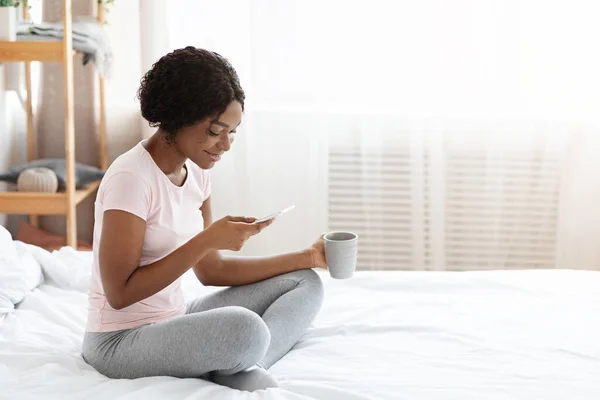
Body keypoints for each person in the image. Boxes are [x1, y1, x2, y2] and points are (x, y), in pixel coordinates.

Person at [81, 47, 326, 392]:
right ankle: (237, 358)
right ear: (178, 117)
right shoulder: (131, 178)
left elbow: (212, 272)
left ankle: (244, 363)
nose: (225, 145)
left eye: (233, 132)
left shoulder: (197, 172)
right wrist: (207, 239)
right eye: (215, 131)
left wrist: (308, 257)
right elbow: (119, 294)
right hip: (119, 341)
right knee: (246, 328)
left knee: (304, 282)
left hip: (174, 318)